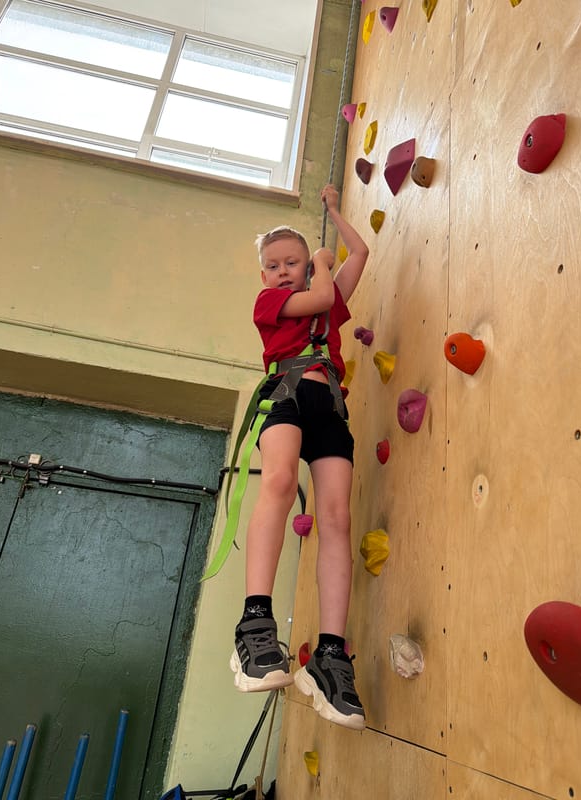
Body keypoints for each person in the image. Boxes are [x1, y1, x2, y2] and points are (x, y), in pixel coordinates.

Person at [230, 184, 369, 730]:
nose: (283, 271)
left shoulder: (325, 302)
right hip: (285, 398)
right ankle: (255, 624)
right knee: (281, 482)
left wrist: (335, 216)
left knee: (337, 517)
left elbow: (359, 257)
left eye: (292, 262)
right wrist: (318, 261)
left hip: (328, 404)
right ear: (264, 277)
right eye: (273, 265)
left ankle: (330, 656)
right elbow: (324, 297)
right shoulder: (274, 304)